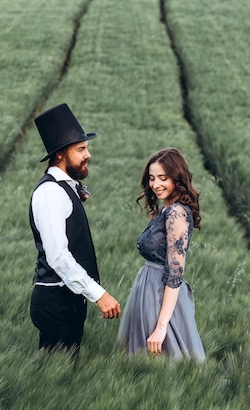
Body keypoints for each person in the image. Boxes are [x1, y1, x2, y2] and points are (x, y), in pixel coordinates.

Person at [29, 103, 121, 356]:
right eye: (80, 149)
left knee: (64, 375)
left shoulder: (63, 187)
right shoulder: (49, 193)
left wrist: (76, 190)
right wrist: (98, 294)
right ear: (60, 155)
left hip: (67, 300)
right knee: (55, 382)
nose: (87, 154)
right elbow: (58, 256)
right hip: (55, 301)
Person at [116, 148, 205, 362]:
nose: (156, 185)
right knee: (147, 363)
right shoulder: (166, 209)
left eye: (163, 178)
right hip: (148, 289)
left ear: (177, 178)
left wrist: (162, 326)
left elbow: (175, 274)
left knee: (166, 358)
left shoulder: (176, 214)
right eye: (152, 178)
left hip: (161, 294)